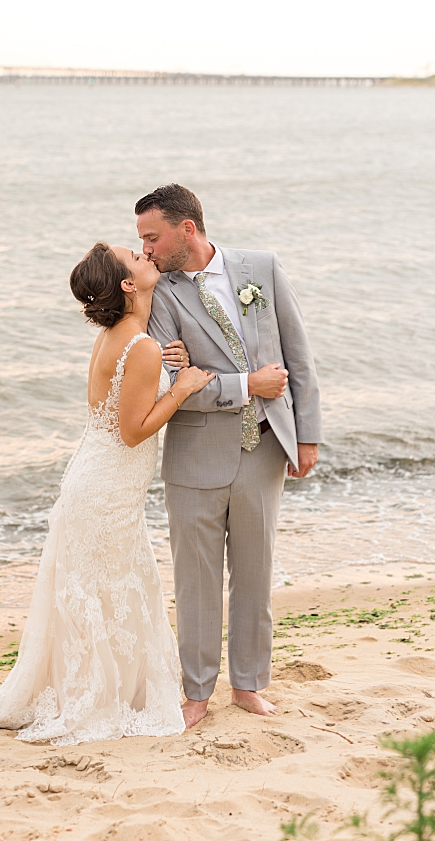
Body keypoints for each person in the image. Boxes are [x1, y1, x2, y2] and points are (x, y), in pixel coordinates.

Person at [0, 242, 214, 745]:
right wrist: (182, 388)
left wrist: (168, 367)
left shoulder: (122, 337)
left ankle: (105, 689)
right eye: (136, 257)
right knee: (111, 586)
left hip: (96, 479)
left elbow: (123, 395)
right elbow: (133, 430)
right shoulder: (139, 344)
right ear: (129, 284)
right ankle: (103, 697)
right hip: (107, 486)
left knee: (103, 589)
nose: (146, 256)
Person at [135, 183, 321, 729]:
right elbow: (173, 382)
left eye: (151, 236)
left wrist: (306, 435)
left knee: (255, 574)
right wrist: (247, 384)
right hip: (194, 456)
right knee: (195, 580)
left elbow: (299, 356)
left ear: (185, 229)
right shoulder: (159, 295)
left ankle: (248, 684)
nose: (144, 249)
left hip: (266, 449)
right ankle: (196, 692)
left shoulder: (261, 268)